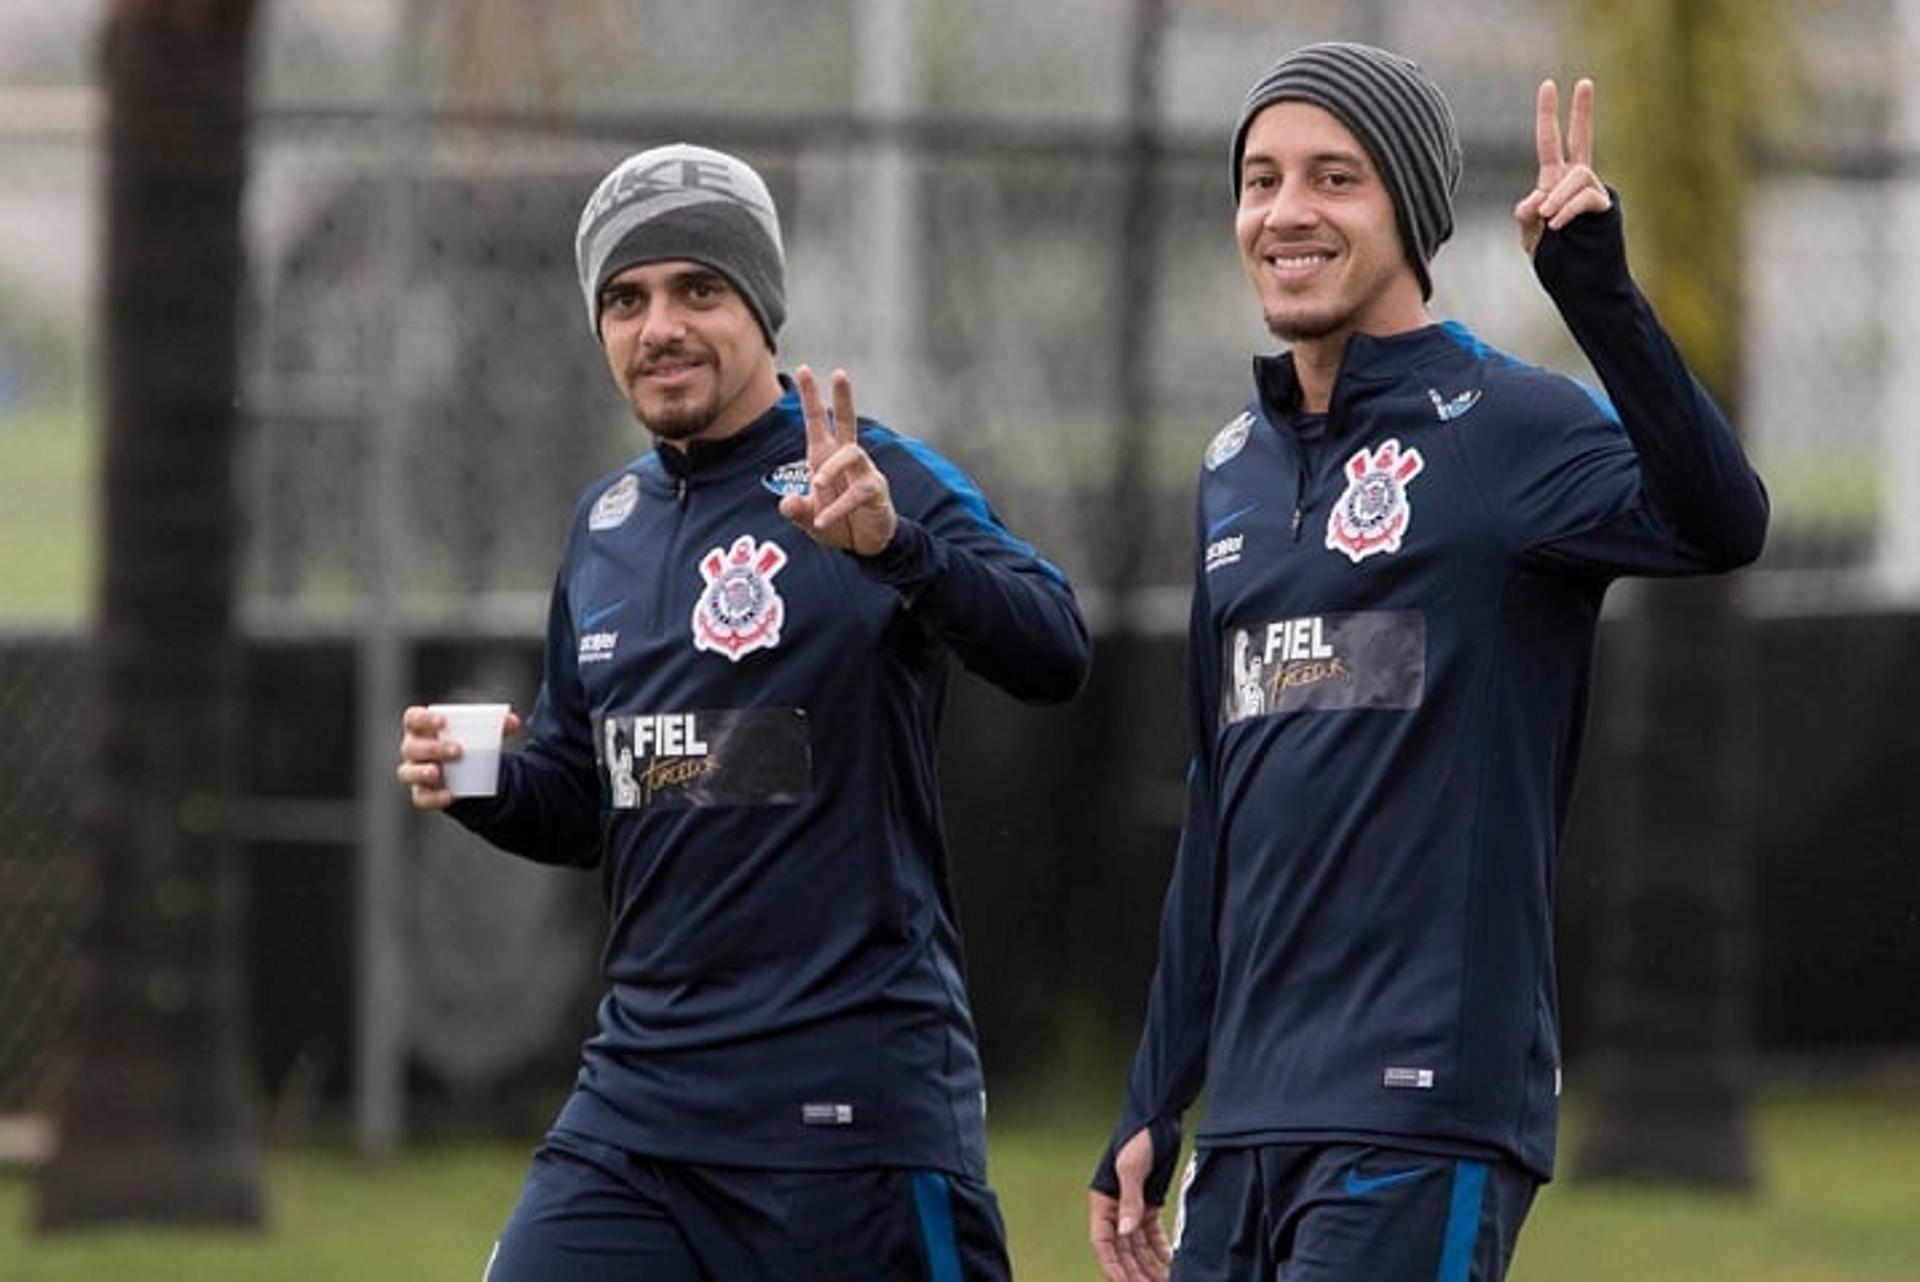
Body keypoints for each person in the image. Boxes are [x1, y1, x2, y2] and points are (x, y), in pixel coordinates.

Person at [1088, 41, 1768, 1282]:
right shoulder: (1233, 464)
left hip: (1422, 1106)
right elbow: (1217, 801)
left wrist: (1598, 297)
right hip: (1246, 1118)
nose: (1286, 210)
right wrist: (1155, 1090)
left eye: (1334, 177)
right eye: (1260, 178)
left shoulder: (1509, 427)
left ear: (1408, 207)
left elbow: (1723, 522)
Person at [397, 142, 1090, 1281]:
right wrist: (488, 785)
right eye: (626, 299)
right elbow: (589, 800)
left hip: (848, 1110)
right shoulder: (606, 523)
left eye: (696, 289)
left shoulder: (873, 475)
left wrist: (897, 550)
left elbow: (1055, 646)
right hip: (639, 1110)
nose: (658, 325)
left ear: (761, 305)